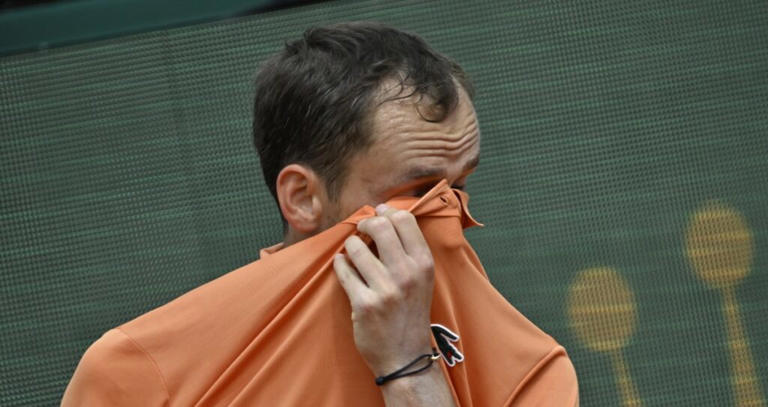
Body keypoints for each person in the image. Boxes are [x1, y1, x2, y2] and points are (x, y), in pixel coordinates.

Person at [63, 22, 578, 406]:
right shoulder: (140, 375)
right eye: (419, 193)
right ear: (303, 198)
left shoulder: (527, 369)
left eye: (460, 186)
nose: (451, 215)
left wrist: (411, 370)